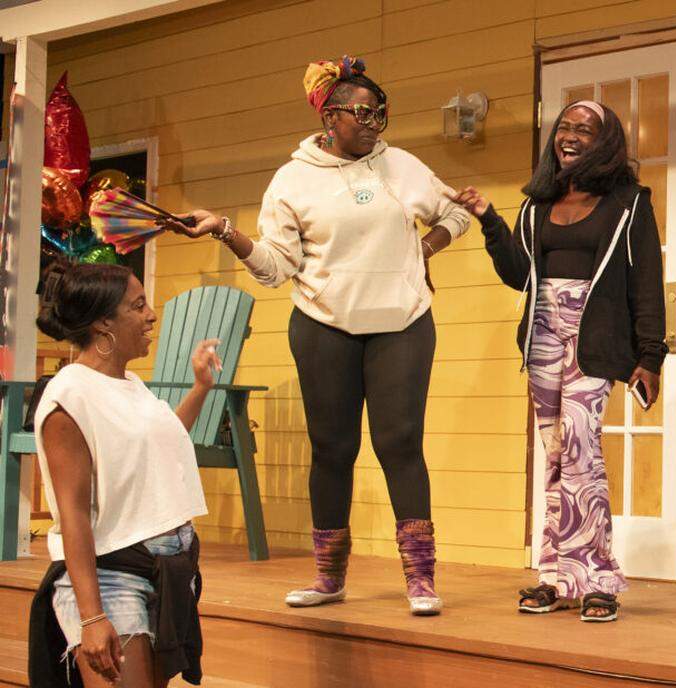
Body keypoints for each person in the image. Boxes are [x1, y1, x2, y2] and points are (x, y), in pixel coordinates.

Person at [161, 56, 469, 615]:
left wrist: (425, 248)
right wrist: (228, 233)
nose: (374, 122)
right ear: (329, 116)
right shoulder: (293, 179)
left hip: (402, 323)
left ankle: (421, 580)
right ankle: (330, 578)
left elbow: (454, 213)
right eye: (360, 112)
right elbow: (277, 267)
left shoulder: (402, 165)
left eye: (381, 112)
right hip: (325, 325)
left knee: (399, 444)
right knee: (332, 450)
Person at [451, 100, 667, 622]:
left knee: (580, 446)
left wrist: (650, 355)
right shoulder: (537, 204)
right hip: (544, 333)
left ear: (606, 141)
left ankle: (596, 576)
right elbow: (517, 273)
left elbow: (646, 283)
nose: (570, 136)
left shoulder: (629, 202)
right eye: (564, 128)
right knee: (554, 454)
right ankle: (554, 575)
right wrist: (489, 220)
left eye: (584, 130)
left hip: (595, 338)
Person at [28, 263, 218, 688]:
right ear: (103, 322)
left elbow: (164, 444)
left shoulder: (130, 383)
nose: (151, 315)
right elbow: (73, 515)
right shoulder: (69, 396)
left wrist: (200, 388)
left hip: (166, 568)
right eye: (138, 305)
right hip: (112, 577)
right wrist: (92, 616)